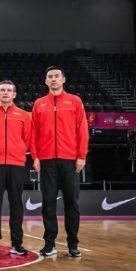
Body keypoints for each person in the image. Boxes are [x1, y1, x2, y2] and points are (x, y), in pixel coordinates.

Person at [32, 66, 89, 258]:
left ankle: (73, 244)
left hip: (69, 160)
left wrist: (81, 155)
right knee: (48, 202)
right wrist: (35, 156)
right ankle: (50, 244)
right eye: (50, 77)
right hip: (46, 160)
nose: (53, 79)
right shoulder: (39, 104)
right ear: (46, 81)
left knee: (71, 202)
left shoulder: (75, 101)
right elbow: (34, 133)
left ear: (63, 79)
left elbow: (82, 130)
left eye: (57, 76)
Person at [0, 80, 32, 256]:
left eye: (8, 90)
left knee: (16, 205)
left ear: (14, 94)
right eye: (2, 90)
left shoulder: (23, 115)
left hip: (17, 164)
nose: (5, 93)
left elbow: (27, 139)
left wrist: (18, 152)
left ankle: (17, 244)